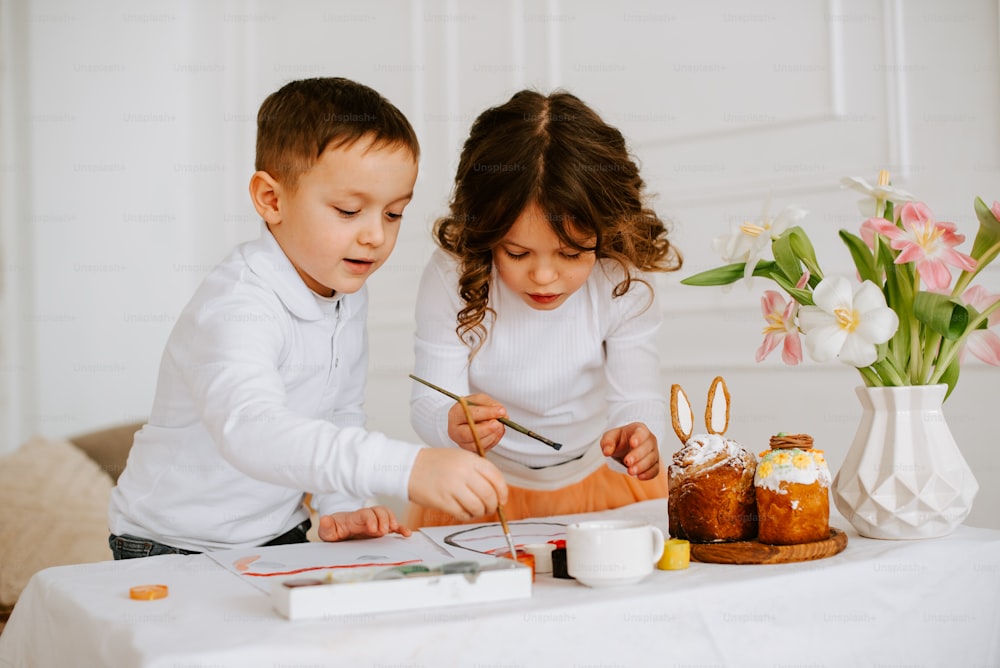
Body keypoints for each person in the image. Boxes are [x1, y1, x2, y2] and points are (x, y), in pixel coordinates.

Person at [107, 77, 508, 557]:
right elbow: (254, 430)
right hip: (170, 543)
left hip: (277, 533)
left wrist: (342, 502)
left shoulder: (342, 288)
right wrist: (407, 468)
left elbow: (338, 411)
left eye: (394, 213)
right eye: (349, 210)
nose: (375, 236)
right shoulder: (238, 305)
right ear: (271, 200)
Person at [408, 89, 683, 527]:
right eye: (516, 254)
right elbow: (428, 398)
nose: (543, 276)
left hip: (605, 484)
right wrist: (450, 422)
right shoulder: (451, 275)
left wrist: (639, 437)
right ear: (485, 232)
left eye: (571, 255)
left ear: (606, 232)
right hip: (480, 491)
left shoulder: (622, 277)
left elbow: (637, 397)